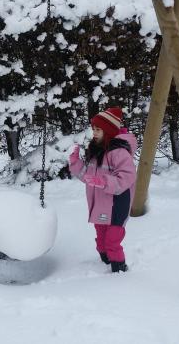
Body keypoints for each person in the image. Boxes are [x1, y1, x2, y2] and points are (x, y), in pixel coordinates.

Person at [68, 106, 137, 273]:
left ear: (108, 130)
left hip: (117, 202)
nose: (95, 133)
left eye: (98, 129)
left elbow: (127, 177)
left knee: (112, 240)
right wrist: (75, 162)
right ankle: (105, 260)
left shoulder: (119, 152)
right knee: (101, 239)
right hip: (99, 202)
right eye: (93, 129)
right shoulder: (96, 150)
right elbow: (87, 176)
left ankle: (119, 269)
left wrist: (104, 181)